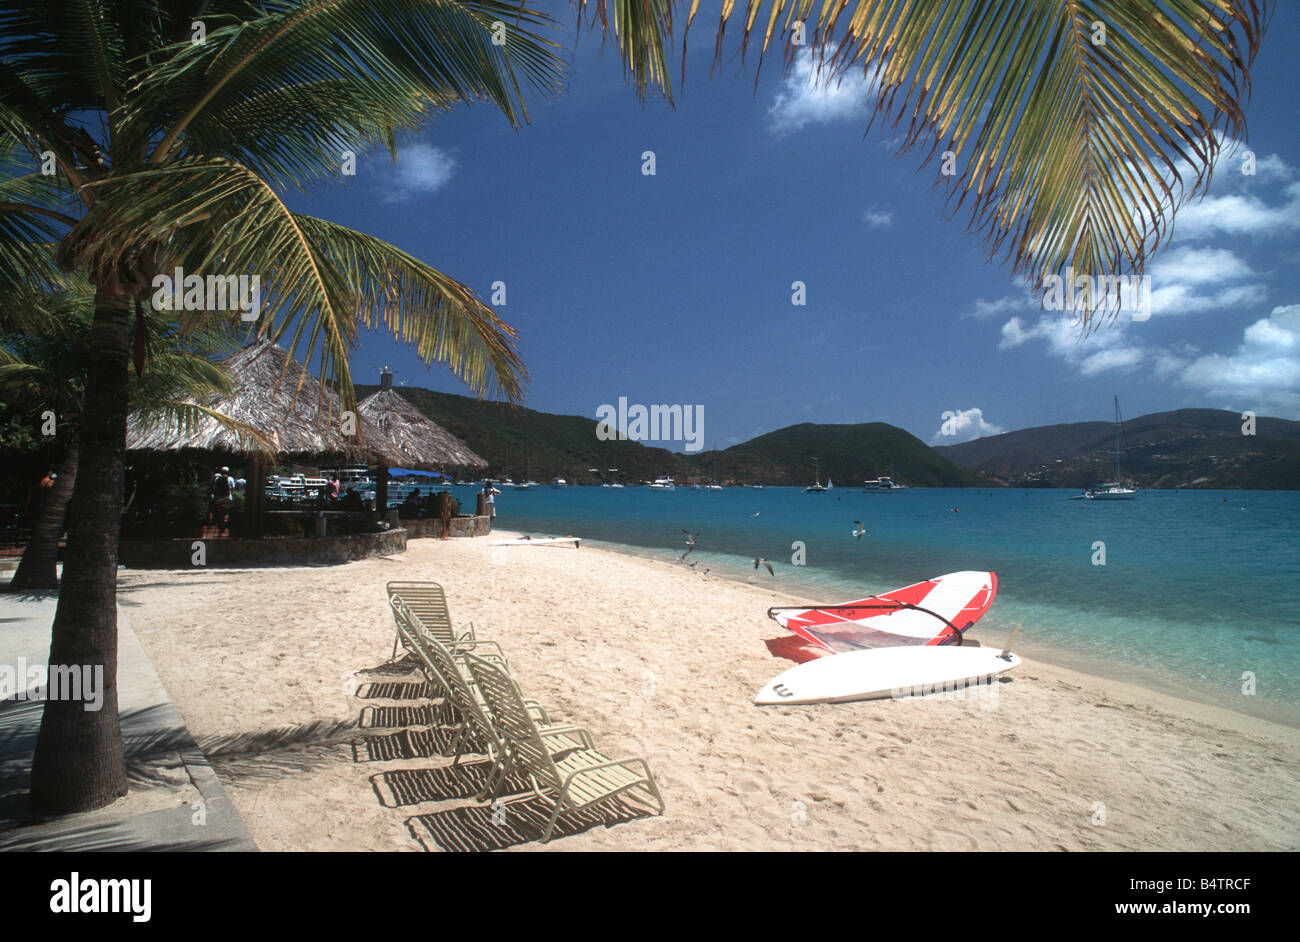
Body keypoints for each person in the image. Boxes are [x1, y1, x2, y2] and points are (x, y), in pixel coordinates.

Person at [209, 466, 235, 535]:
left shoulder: (217, 478)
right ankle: (224, 524)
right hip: (227, 498)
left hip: (219, 498)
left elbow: (214, 488)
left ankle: (220, 525)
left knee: (219, 512)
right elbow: (232, 489)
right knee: (226, 512)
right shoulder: (230, 479)